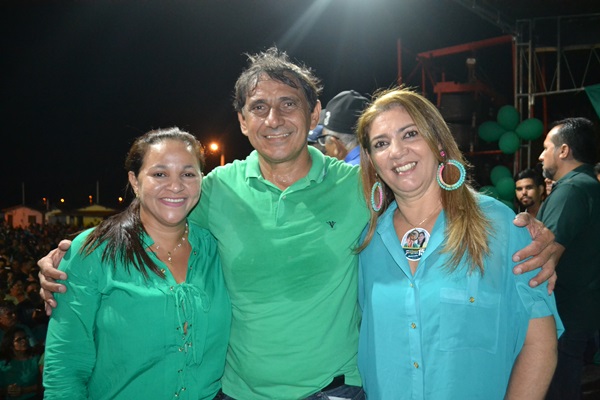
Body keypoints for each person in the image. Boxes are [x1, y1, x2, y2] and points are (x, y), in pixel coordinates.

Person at [38, 47, 559, 400]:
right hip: (238, 392)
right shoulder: (214, 190)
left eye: (289, 104)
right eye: (259, 107)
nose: (274, 119)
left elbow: (433, 201)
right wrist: (73, 256)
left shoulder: (360, 189)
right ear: (242, 121)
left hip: (337, 389)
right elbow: (158, 206)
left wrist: (540, 238)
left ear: (314, 116)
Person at [356, 88, 562, 399]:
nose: (397, 151)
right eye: (381, 144)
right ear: (372, 161)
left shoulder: (500, 226)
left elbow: (540, 344)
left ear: (439, 143)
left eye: (410, 134)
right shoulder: (369, 243)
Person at [42, 128, 231, 400]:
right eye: (160, 174)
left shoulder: (218, 248)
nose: (176, 186)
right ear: (135, 181)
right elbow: (65, 369)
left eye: (188, 174)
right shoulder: (93, 251)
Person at [537, 117, 600, 400]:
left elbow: (542, 259)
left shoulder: (572, 190)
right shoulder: (589, 185)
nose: (541, 156)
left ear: (563, 150)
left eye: (546, 147)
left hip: (562, 319)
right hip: (581, 316)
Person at [317, 90, 368, 165]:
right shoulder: (379, 158)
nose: (325, 149)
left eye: (324, 139)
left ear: (335, 144)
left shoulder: (347, 171)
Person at [0, 326, 44, 400]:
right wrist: (7, 390)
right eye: (19, 339)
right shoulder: (3, 362)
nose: (24, 341)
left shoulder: (36, 359)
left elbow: (44, 384)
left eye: (26, 337)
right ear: (10, 344)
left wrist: (23, 390)